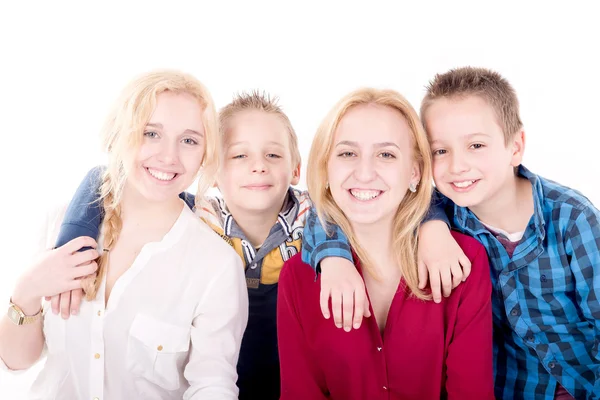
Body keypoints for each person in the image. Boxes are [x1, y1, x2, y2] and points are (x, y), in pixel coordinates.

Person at [301, 67, 600, 400]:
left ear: (516, 147)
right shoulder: (439, 211)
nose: (457, 166)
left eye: (475, 145)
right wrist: (333, 258)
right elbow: (330, 204)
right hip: (509, 391)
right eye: (440, 151)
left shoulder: (571, 218)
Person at [0, 70, 248, 399]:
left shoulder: (216, 266)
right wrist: (27, 291)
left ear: (205, 154)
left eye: (189, 140)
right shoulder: (58, 222)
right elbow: (17, 362)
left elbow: (212, 385)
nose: (169, 156)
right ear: (121, 134)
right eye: (151, 133)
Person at [47, 91, 310, 400]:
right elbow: (105, 176)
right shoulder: (197, 217)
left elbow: (339, 225)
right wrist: (71, 246)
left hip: (297, 388)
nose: (258, 166)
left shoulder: (317, 226)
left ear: (296, 168)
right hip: (214, 383)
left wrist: (335, 258)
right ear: (212, 172)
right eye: (239, 155)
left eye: (273, 155)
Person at [277, 87, 495, 399]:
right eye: (347, 153)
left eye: (386, 154)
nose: (364, 173)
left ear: (415, 172)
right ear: (326, 167)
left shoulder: (464, 262)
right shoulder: (297, 278)